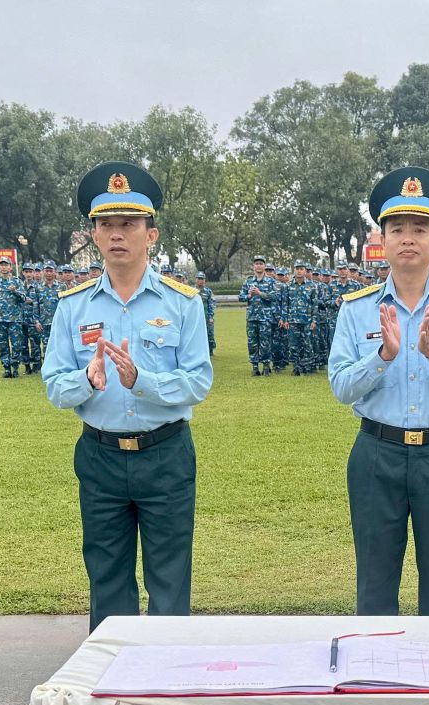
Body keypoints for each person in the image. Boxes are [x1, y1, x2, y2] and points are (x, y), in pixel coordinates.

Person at [42, 162, 213, 630]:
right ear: (93, 235)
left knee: (170, 574)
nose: (118, 234)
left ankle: (164, 675)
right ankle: (111, 674)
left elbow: (198, 380)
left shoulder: (182, 302)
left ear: (150, 235)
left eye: (129, 224)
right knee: (107, 573)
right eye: (107, 225)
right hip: (101, 456)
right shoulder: (72, 305)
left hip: (166, 454)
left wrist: (142, 381)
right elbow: (55, 383)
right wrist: (87, 380)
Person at [329, 167, 429, 615]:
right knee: (375, 583)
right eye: (396, 228)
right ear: (381, 240)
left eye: (420, 228)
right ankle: (374, 678)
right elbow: (341, 387)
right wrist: (382, 356)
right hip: (376, 454)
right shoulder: (357, 308)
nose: (408, 237)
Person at [240, 255, 276, 375]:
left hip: (265, 317)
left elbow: (273, 297)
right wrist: (248, 296)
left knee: (265, 342)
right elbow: (240, 297)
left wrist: (260, 293)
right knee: (252, 342)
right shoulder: (248, 281)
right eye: (256, 263)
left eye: (261, 263)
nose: (258, 265)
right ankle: (255, 367)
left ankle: (266, 366)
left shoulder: (270, 281)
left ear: (264, 266)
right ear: (253, 266)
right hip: (251, 317)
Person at [195, 271, 216, 356]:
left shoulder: (208, 291)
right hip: (195, 316)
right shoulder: (191, 290)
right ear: (196, 279)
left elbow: (212, 303)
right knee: (196, 333)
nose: (201, 281)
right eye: (199, 279)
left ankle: (210, 350)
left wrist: (211, 316)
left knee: (209, 333)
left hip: (206, 315)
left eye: (202, 279)